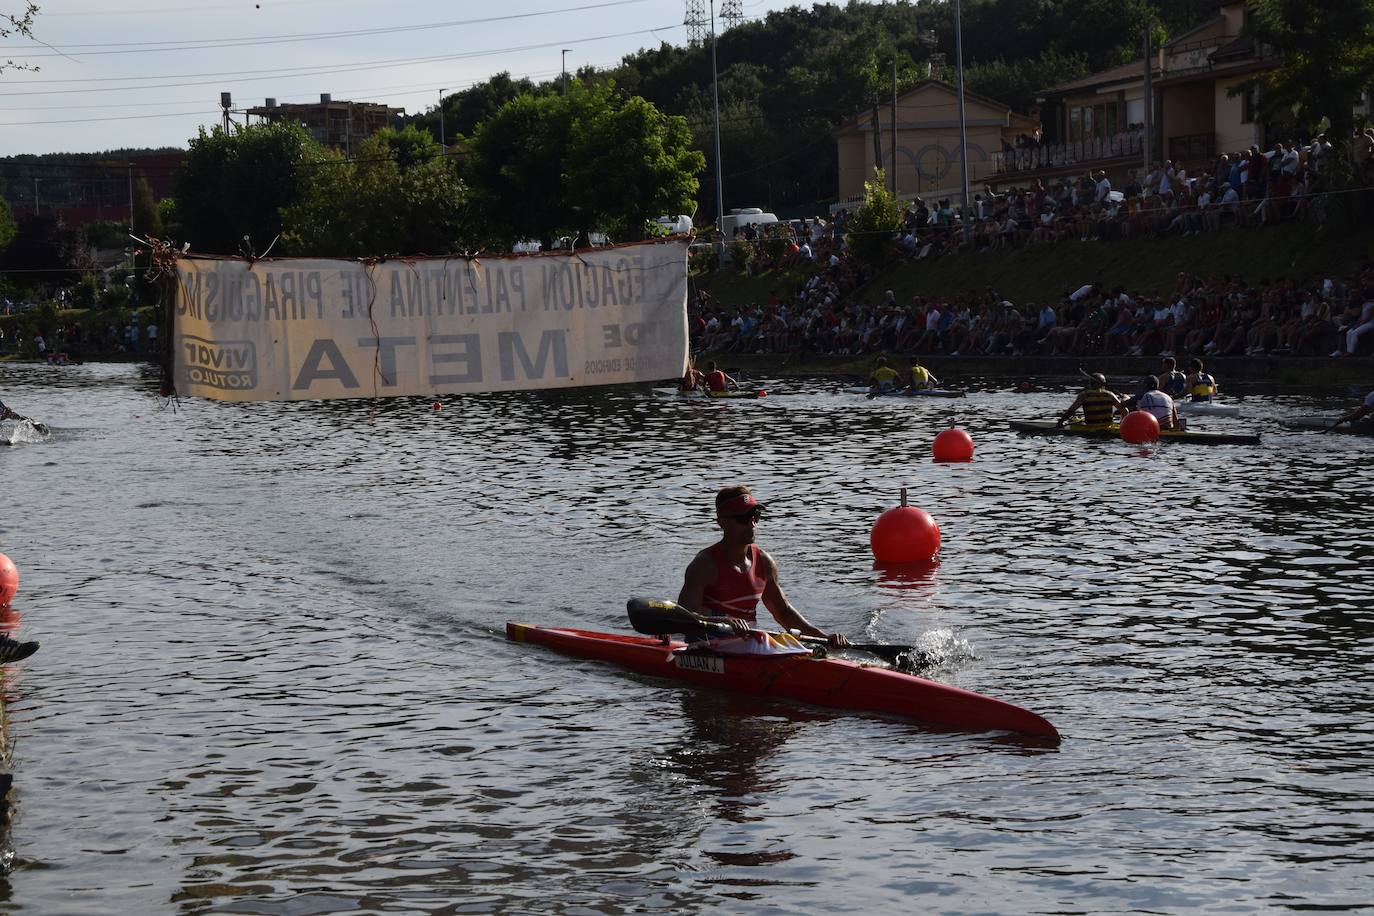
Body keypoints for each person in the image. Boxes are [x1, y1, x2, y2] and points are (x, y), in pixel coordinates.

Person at [677, 486, 849, 647]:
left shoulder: (764, 563)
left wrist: (825, 638)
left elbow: (783, 612)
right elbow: (684, 619)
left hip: (747, 642)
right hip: (708, 643)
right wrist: (723, 622)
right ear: (722, 522)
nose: (752, 524)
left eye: (755, 515)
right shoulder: (704, 565)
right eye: (743, 518)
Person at [1056, 373, 1127, 427]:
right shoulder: (1110, 395)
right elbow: (1125, 411)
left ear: (1090, 384)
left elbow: (1071, 411)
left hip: (1090, 426)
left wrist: (1060, 422)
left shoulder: (1084, 395)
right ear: (1103, 384)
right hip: (1107, 426)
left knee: (1073, 420)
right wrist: (1121, 425)